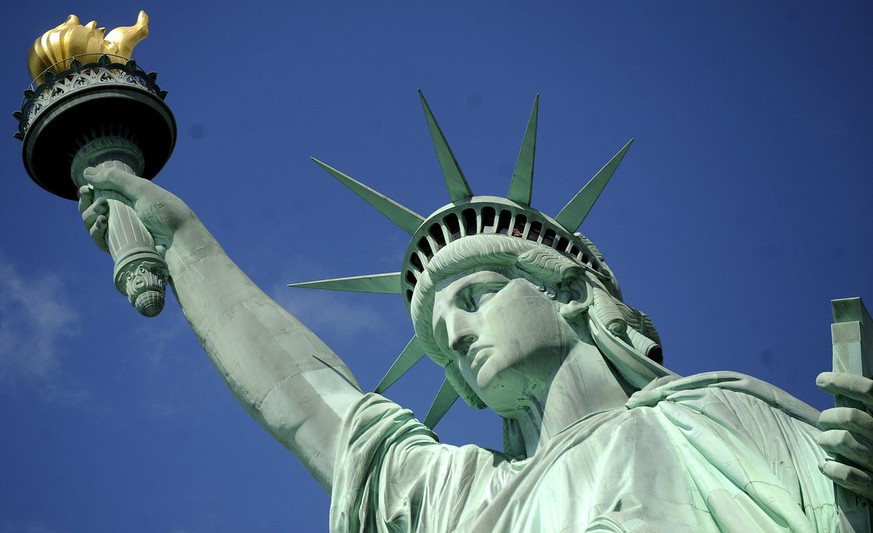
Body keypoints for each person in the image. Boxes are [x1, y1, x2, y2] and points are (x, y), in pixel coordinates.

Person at [77, 140, 872, 532]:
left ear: (566, 291)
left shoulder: (719, 418)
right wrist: (182, 243)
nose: (453, 333)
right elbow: (308, 403)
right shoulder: (466, 499)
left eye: (475, 295)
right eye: (436, 329)